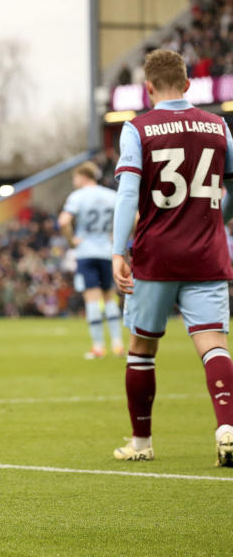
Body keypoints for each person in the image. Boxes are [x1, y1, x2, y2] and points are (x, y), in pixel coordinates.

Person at [111, 48, 233, 466]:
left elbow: (128, 193)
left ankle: (141, 444)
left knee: (142, 347)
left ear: (147, 89)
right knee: (214, 344)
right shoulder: (218, 126)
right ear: (187, 84)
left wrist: (117, 251)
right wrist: (218, 219)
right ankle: (227, 428)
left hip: (156, 256)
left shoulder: (137, 129)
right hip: (207, 252)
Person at [58, 161, 123, 359]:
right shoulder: (111, 195)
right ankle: (118, 345)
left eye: (75, 177)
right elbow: (133, 217)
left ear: (83, 176)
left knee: (92, 300)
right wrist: (118, 236)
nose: (74, 181)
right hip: (107, 251)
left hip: (86, 252)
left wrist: (72, 241)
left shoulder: (78, 196)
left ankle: (98, 347)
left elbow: (63, 221)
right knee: (109, 297)